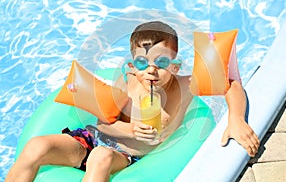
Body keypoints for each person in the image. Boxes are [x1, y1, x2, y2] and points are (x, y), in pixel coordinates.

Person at [5, 21, 260, 182]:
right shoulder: (127, 82)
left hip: (126, 156)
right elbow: (103, 122)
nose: (151, 70)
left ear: (175, 64)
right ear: (132, 64)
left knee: (101, 158)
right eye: (142, 63)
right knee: (37, 146)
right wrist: (128, 128)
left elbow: (230, 85)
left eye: (161, 62)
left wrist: (236, 119)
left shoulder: (186, 87)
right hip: (92, 139)